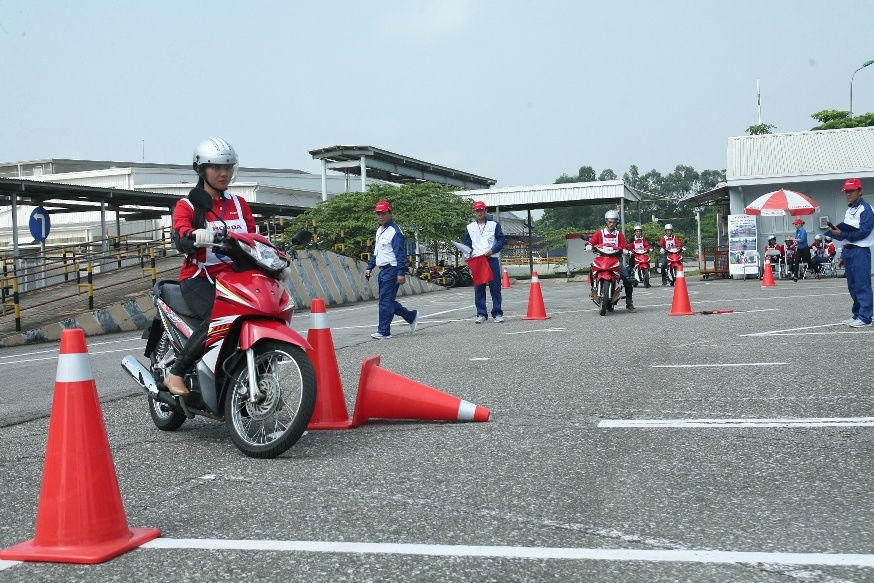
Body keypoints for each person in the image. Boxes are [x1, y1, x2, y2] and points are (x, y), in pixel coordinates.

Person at [164, 137, 256, 397]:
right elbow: (181, 234)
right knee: (218, 318)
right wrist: (193, 236)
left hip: (236, 279)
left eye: (228, 167)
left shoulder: (240, 204)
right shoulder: (189, 205)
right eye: (216, 167)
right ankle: (177, 372)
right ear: (201, 169)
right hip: (199, 278)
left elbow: (253, 239)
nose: (224, 173)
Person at [364, 200, 419, 339]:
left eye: (383, 213)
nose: (381, 216)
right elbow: (376, 252)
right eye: (378, 213)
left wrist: (401, 273)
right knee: (386, 300)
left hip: (392, 269)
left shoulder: (395, 231)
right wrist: (370, 267)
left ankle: (384, 331)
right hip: (383, 270)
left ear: (390, 213)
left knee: (385, 302)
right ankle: (410, 316)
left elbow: (400, 254)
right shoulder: (380, 230)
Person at [827, 178, 874, 327]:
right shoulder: (850, 210)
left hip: (860, 251)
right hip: (849, 251)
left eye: (851, 191)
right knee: (852, 285)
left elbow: (864, 232)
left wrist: (841, 234)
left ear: (860, 191)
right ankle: (857, 314)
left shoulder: (866, 209)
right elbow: (847, 231)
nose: (848, 194)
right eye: (846, 191)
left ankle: (866, 317)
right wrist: (842, 254)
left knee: (862, 284)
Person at [463, 201, 507, 323]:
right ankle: (481, 314)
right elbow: (468, 243)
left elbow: (502, 240)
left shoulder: (494, 225)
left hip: (491, 259)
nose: (479, 212)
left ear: (486, 211)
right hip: (477, 260)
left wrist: (492, 250)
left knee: (495, 287)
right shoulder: (469, 227)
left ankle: (497, 313)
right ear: (474, 212)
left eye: (481, 210)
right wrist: (466, 251)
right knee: (479, 288)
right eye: (477, 210)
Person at [587, 210, 636, 312]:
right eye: (610, 221)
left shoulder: (619, 235)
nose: (612, 224)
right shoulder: (599, 233)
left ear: (617, 222)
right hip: (602, 258)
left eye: (614, 222)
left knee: (627, 279)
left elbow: (623, 246)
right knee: (592, 268)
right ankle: (593, 289)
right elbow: (592, 241)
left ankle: (629, 303)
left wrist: (626, 250)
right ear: (606, 222)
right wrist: (589, 245)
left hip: (615, 259)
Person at [626, 224, 652, 288]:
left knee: (647, 261)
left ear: (641, 232)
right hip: (634, 255)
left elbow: (647, 245)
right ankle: (629, 279)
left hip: (642, 255)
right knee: (630, 266)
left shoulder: (643, 239)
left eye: (639, 231)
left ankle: (647, 281)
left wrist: (648, 248)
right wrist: (630, 250)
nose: (638, 232)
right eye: (637, 231)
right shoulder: (632, 239)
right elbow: (628, 246)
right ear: (635, 232)